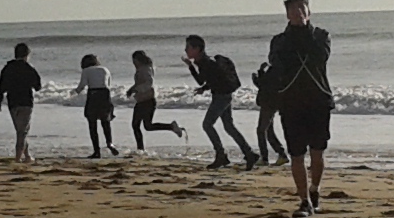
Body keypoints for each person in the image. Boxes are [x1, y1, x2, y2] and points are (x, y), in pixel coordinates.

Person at [261, 0, 334, 218]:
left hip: (318, 101)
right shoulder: (280, 41)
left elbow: (321, 57)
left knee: (317, 152)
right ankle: (304, 201)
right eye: (293, 10)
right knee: (296, 154)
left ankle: (315, 189)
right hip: (291, 103)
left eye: (302, 8)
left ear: (309, 12)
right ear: (287, 15)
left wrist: (305, 32)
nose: (298, 12)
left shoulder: (321, 35)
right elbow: (278, 63)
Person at [183, 35, 257, 169]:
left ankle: (221, 154)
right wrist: (204, 88)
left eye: (188, 47)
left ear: (197, 49)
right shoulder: (206, 62)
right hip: (224, 95)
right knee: (228, 126)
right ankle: (248, 153)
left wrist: (190, 66)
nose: (185, 50)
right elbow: (213, 79)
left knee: (207, 125)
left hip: (222, 96)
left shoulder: (205, 63)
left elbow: (201, 80)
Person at [124, 50, 184, 152]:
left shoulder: (145, 69)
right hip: (144, 101)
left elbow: (149, 83)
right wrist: (132, 89)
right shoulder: (144, 68)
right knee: (146, 126)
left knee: (139, 125)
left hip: (147, 101)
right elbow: (141, 83)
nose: (133, 63)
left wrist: (136, 89)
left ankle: (140, 149)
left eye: (134, 61)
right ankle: (171, 127)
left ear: (138, 60)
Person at [0, 42, 42, 162]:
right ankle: (18, 157)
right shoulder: (29, 68)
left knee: (20, 130)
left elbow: (1, 87)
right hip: (26, 102)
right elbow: (38, 86)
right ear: (27, 55)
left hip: (13, 102)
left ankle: (27, 155)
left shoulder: (8, 68)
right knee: (22, 131)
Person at [74, 54, 118, 157]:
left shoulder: (86, 71)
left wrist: (75, 92)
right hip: (105, 95)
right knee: (105, 121)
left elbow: (82, 85)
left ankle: (97, 151)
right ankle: (110, 143)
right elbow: (108, 85)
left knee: (92, 123)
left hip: (93, 94)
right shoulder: (105, 69)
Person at [251, 62, 289, 166]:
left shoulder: (274, 71)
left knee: (261, 130)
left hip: (268, 103)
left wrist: (258, 74)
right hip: (273, 102)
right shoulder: (281, 70)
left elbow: (263, 84)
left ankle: (265, 157)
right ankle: (281, 154)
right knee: (268, 131)